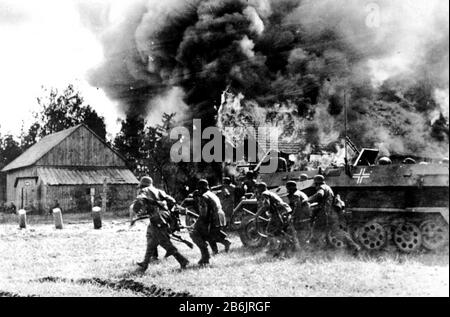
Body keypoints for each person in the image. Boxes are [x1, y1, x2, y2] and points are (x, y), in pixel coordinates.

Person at [134, 176, 189, 270]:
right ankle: (145, 263)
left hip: (157, 218)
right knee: (151, 238)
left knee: (164, 242)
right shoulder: (158, 191)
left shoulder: (144, 190)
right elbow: (172, 200)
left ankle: (182, 260)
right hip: (164, 216)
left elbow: (140, 199)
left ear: (142, 184)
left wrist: (137, 210)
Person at [307, 175, 361, 255]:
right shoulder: (328, 188)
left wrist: (308, 199)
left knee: (316, 231)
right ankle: (354, 247)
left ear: (316, 183)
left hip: (324, 214)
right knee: (338, 232)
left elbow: (319, 195)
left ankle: (310, 252)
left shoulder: (322, 188)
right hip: (331, 213)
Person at [190, 179, 231, 265]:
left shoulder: (204, 196)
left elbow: (204, 213)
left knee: (196, 234)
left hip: (213, 217)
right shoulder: (212, 194)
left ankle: (206, 255)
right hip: (220, 216)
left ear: (200, 188)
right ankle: (219, 247)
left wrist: (197, 223)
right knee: (211, 234)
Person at [255, 182, 299, 256]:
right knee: (278, 231)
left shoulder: (264, 193)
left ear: (260, 188)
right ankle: (289, 245)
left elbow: (266, 205)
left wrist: (257, 214)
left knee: (270, 230)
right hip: (284, 211)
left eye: (257, 189)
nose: (257, 191)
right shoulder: (270, 193)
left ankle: (275, 248)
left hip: (279, 213)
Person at [286, 181, 311, 246]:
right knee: (302, 233)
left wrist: (292, 216)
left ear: (291, 187)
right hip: (306, 215)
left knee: (299, 232)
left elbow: (297, 206)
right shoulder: (300, 193)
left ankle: (300, 249)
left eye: (288, 188)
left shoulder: (296, 195)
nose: (287, 190)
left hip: (301, 216)